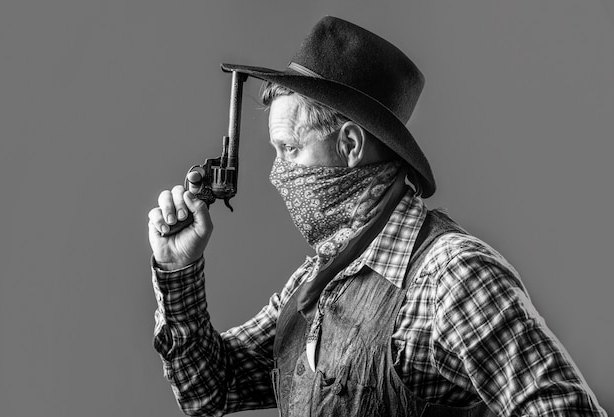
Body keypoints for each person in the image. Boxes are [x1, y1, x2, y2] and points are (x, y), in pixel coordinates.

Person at [147, 16, 606, 417]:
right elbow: (209, 391)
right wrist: (178, 268)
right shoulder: (318, 282)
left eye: (289, 149)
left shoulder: (452, 277)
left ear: (349, 145)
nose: (276, 175)